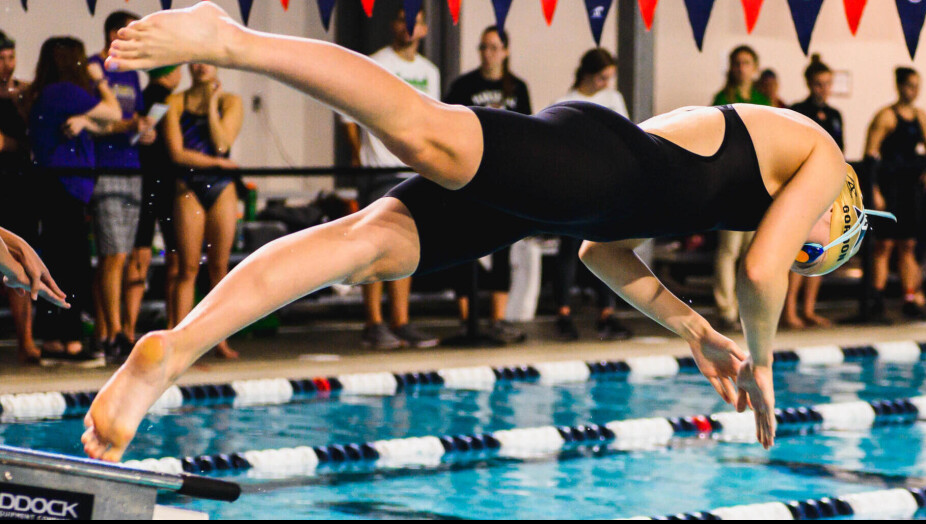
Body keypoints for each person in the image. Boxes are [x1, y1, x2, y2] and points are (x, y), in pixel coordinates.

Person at [85, 2, 883, 460]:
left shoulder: (751, 179)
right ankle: (231, 37)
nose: (808, 249)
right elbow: (760, 272)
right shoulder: (820, 150)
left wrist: (694, 329)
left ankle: (171, 351)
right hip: (595, 163)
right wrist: (763, 362)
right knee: (423, 132)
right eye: (823, 243)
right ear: (843, 202)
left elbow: (600, 250)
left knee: (367, 247)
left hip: (579, 200)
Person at [339, 4, 438, 350]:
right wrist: (357, 154)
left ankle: (401, 321)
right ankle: (373, 322)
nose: (408, 25)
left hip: (412, 171)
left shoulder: (430, 72)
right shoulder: (376, 62)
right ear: (394, 25)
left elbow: (432, 120)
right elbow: (347, 112)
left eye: (415, 21)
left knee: (406, 246)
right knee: (373, 247)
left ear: (424, 30)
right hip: (378, 170)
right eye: (402, 18)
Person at [28, 37, 122, 366]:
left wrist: (84, 121)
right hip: (64, 185)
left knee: (56, 262)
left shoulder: (48, 93)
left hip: (54, 185)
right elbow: (114, 112)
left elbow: (105, 123)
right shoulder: (65, 92)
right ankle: (69, 341)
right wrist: (100, 79)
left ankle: (53, 339)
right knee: (72, 266)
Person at [442, 25, 532, 344]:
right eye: (483, 47)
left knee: (503, 248)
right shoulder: (463, 86)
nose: (487, 54)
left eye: (494, 47)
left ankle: (497, 319)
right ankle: (467, 320)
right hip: (469, 176)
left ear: (505, 51)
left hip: (505, 178)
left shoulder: (518, 88)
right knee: (463, 245)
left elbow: (528, 134)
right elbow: (447, 126)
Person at [550, 47, 634, 341]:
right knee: (569, 249)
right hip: (574, 187)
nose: (606, 84)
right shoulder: (564, 103)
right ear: (587, 74)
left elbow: (627, 138)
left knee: (605, 248)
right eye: (602, 77)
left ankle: (606, 313)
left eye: (610, 77)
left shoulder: (613, 99)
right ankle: (562, 314)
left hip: (606, 186)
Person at [90, 11, 158, 364]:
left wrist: (145, 130)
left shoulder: (131, 74)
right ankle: (115, 332)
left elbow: (135, 118)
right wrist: (127, 125)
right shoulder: (93, 69)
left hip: (132, 168)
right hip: (104, 169)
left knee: (120, 256)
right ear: (114, 34)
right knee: (113, 254)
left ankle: (108, 332)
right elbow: (93, 121)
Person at [162, 61, 243, 359]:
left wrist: (211, 107)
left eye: (206, 60)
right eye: (194, 60)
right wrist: (219, 164)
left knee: (219, 268)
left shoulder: (230, 102)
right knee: (188, 268)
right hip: (188, 187)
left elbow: (222, 143)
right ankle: (181, 343)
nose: (201, 66)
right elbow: (176, 153)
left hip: (221, 189)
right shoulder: (175, 102)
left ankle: (218, 339)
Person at [864, 67, 926, 321]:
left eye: (917, 86)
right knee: (884, 245)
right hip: (889, 187)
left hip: (910, 189)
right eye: (909, 86)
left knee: (908, 244)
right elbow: (870, 155)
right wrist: (874, 190)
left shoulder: (920, 117)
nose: (913, 91)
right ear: (899, 86)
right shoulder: (885, 117)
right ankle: (876, 299)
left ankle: (909, 298)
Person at [711, 45, 771, 331]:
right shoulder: (722, 99)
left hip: (755, 182)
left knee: (752, 252)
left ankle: (746, 309)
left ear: (755, 68)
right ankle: (726, 309)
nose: (741, 68)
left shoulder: (762, 100)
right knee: (728, 250)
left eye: (746, 63)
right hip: (730, 182)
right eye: (737, 63)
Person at [125, 64, 183, 340]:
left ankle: (127, 330)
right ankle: (173, 328)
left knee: (139, 256)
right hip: (167, 184)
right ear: (172, 73)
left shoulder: (139, 97)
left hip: (142, 182)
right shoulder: (170, 101)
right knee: (176, 258)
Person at [785, 54, 843, 329]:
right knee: (800, 250)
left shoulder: (835, 115)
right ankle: (790, 311)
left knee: (822, 250)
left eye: (828, 84)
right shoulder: (797, 111)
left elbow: (840, 153)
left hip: (826, 188)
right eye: (819, 84)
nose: (824, 89)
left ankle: (808, 309)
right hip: (802, 187)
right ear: (809, 83)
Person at [0, 30, 39, 364]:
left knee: (20, 264)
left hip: (20, 187)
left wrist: (24, 104)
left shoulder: (23, 94)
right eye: (0, 58)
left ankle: (26, 340)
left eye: (10, 57)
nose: (7, 65)